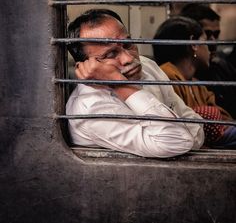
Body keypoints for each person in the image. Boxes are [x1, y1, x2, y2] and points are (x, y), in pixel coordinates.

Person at [66, 9, 204, 158]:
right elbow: (177, 141)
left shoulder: (146, 65)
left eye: (128, 44)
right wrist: (120, 85)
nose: (128, 58)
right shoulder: (90, 108)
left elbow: (197, 130)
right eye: (110, 54)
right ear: (87, 65)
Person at [153, 16, 236, 149]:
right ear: (194, 44)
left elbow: (224, 119)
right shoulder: (165, 77)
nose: (210, 46)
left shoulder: (197, 84)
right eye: (205, 40)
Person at [181, 3, 236, 119]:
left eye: (216, 34)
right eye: (207, 35)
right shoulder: (184, 75)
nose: (213, 42)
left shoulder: (223, 68)